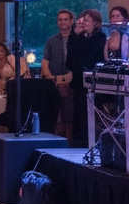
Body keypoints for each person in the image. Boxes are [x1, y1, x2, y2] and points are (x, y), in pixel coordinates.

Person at [65, 9, 107, 148]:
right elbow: (70, 60)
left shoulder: (100, 37)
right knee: (78, 112)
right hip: (78, 81)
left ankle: (92, 141)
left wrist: (80, 63)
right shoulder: (77, 38)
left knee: (92, 113)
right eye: (82, 20)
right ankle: (79, 141)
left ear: (95, 23)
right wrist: (75, 36)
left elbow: (92, 58)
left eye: (87, 20)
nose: (84, 23)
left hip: (93, 81)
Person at [41, 9, 75, 139]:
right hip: (54, 82)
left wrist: (65, 80)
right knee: (54, 116)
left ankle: (70, 142)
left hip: (72, 83)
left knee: (69, 116)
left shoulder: (77, 38)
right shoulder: (51, 41)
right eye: (60, 20)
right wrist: (53, 79)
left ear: (71, 21)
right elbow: (45, 63)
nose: (63, 22)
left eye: (65, 19)